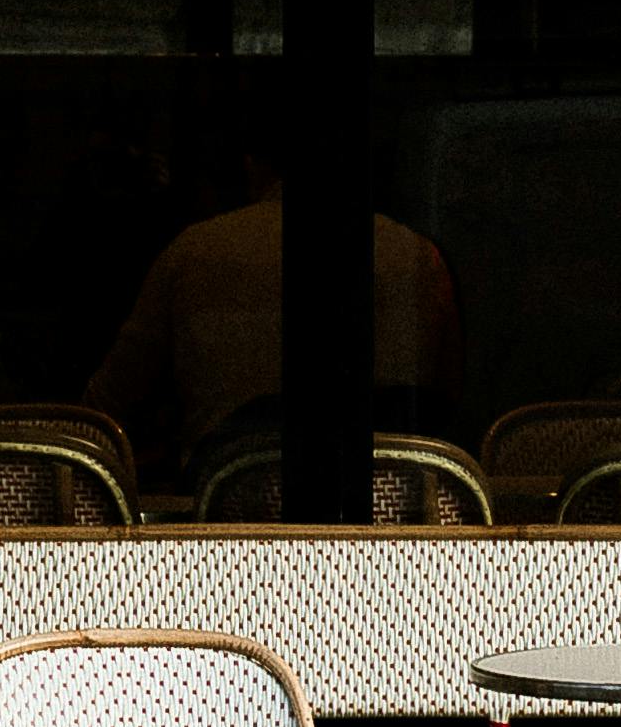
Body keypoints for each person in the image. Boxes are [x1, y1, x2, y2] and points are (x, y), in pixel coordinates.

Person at [82, 144, 464, 480]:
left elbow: (110, 402)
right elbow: (450, 398)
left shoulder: (194, 251)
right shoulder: (416, 254)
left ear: (253, 164)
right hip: (394, 514)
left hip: (231, 517)